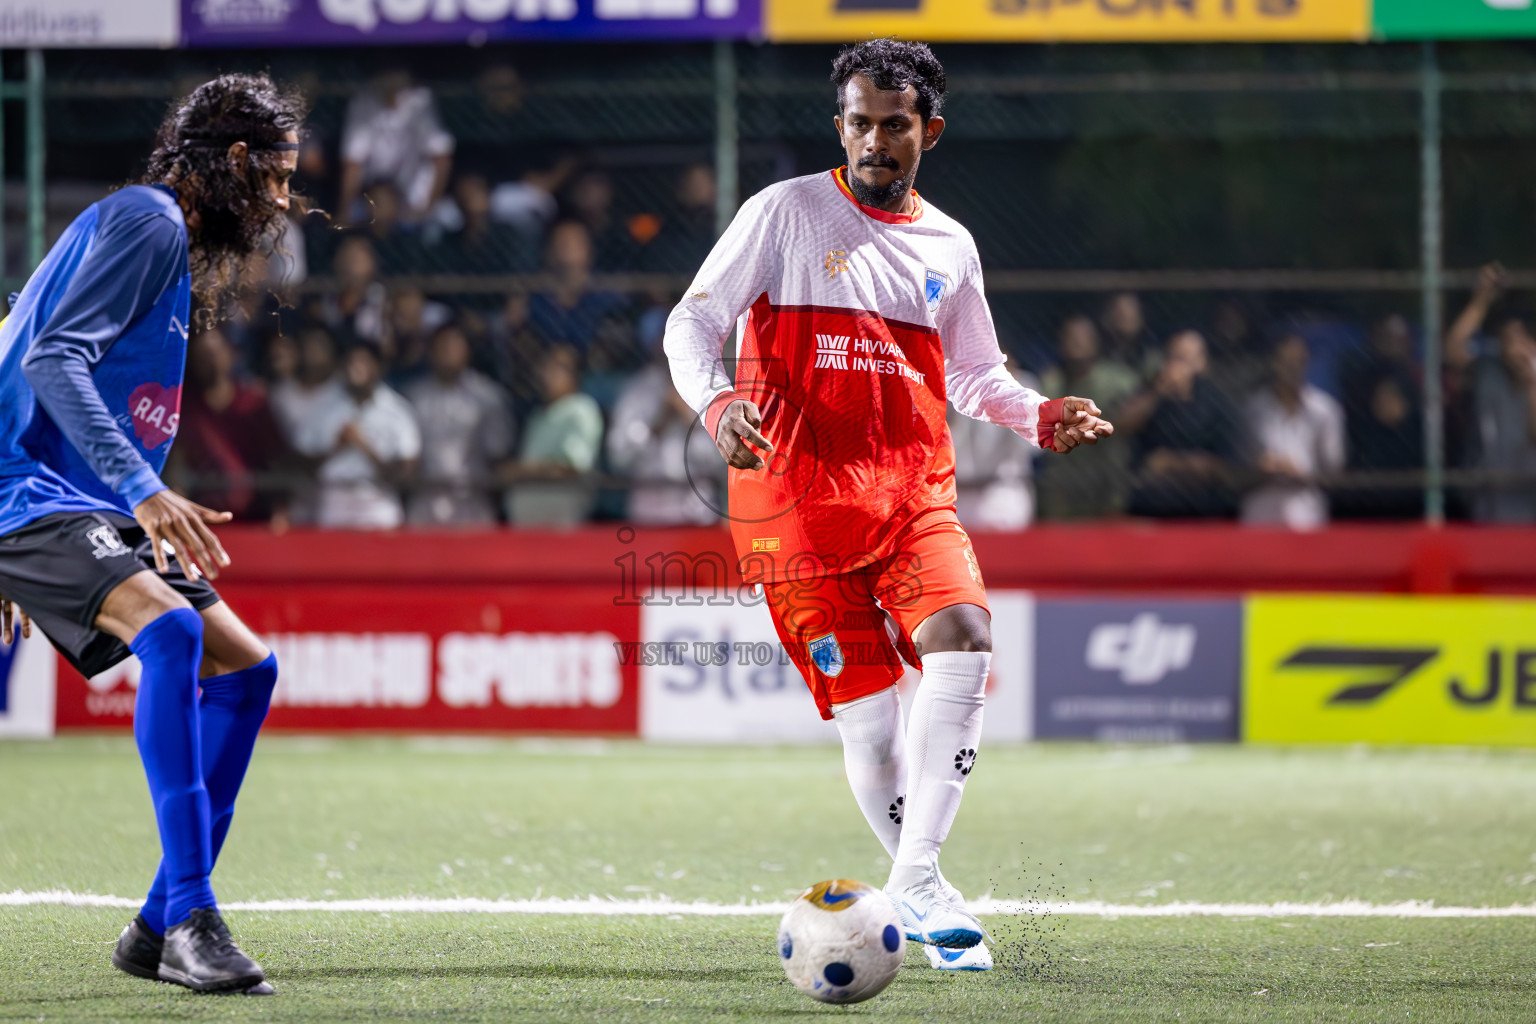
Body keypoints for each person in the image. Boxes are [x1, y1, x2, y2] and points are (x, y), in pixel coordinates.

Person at [663, 40, 1111, 973]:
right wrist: (717, 401)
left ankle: (914, 879)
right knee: (869, 724)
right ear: (840, 126)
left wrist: (1037, 413)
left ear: (928, 132)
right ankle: (925, 890)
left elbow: (975, 372)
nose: (875, 140)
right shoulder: (784, 213)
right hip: (793, 510)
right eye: (860, 123)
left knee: (965, 636)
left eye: (894, 125)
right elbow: (692, 320)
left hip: (911, 495)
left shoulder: (951, 246)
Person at [0, 74, 302, 993]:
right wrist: (142, 489)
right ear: (238, 160)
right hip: (33, 492)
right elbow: (50, 355)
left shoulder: (149, 233)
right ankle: (193, 921)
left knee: (246, 670)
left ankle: (157, 920)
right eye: (279, 177)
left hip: (77, 499)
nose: (284, 202)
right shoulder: (150, 220)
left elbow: (17, 324)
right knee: (170, 633)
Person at [294, 338, 420, 530]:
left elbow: (406, 473)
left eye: (364, 362)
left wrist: (364, 446)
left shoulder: (397, 410)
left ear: (378, 367)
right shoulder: (321, 406)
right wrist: (337, 447)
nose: (356, 368)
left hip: (378, 501)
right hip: (334, 500)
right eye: (351, 362)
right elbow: (301, 463)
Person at [171, 328, 293, 524]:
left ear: (230, 354)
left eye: (214, 353)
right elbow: (177, 462)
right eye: (202, 355)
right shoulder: (184, 407)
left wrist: (281, 510)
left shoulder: (253, 402)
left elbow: (277, 459)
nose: (210, 362)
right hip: (204, 517)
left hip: (255, 517)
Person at [1119, 330, 1244, 519]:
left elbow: (1227, 468)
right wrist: (1157, 393)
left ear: (1201, 364)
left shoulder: (1217, 403)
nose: (1174, 366)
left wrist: (1172, 463)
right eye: (1171, 357)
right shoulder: (1151, 392)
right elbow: (1122, 425)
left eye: (1183, 359)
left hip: (1205, 507)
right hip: (1152, 504)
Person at [1446, 264, 1536, 522]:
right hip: (1490, 496)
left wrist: (1531, 383)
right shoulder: (1490, 369)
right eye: (1507, 340)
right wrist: (1481, 301)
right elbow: (1453, 350)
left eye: (1520, 338)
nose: (1513, 348)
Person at [405, 323, 515, 526]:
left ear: (467, 352)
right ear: (431, 353)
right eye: (442, 346)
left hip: (471, 499)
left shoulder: (487, 397)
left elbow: (498, 455)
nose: (448, 352)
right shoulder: (414, 397)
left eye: (455, 346)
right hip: (425, 499)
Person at [1036, 313, 1141, 519]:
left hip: (1107, 480)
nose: (1077, 343)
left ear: (1096, 343)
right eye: (1071, 337)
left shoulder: (1119, 380)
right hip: (1062, 484)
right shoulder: (1050, 382)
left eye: (1082, 337)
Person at [1241, 334, 1344, 530]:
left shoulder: (1325, 410)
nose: (1293, 367)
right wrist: (1261, 465)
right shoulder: (1253, 408)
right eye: (1286, 361)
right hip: (1261, 509)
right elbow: (1240, 460)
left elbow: (1333, 469)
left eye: (1299, 361)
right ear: (1274, 363)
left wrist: (1301, 472)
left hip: (1307, 511)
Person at [503, 344, 604, 526]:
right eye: (547, 366)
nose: (550, 373)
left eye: (559, 367)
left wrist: (520, 471)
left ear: (575, 375)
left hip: (561, 524)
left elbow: (572, 467)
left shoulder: (581, 409)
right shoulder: (539, 416)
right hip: (529, 525)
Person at [338, 70, 454, 226]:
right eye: (387, 76)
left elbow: (442, 158)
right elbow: (353, 162)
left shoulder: (420, 100)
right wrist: (345, 211)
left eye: (397, 77)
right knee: (378, 205)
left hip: (415, 199)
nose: (392, 83)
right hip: (373, 191)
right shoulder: (363, 102)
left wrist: (428, 208)